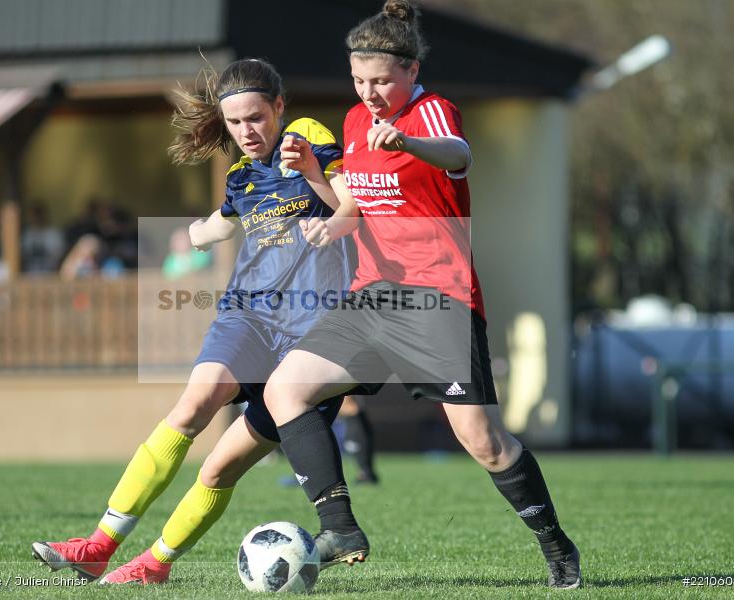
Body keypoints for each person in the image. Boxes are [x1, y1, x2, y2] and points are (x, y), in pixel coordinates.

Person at [263, 1, 581, 588]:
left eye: (382, 80)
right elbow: (354, 208)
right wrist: (314, 179)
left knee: (482, 441)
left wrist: (408, 143)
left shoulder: (434, 113)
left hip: (438, 300)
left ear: (410, 70)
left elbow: (459, 155)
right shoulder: (358, 123)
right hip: (372, 296)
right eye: (359, 81)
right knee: (285, 389)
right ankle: (341, 527)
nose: (370, 93)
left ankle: (556, 544)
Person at [31, 57, 363, 585]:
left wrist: (313, 173)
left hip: (309, 335)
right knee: (194, 402)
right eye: (235, 123)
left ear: (279, 107)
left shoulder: (305, 136)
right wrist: (198, 234)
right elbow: (225, 222)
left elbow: (351, 206)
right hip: (249, 316)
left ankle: (154, 565)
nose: (246, 131)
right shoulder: (240, 176)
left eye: (255, 117)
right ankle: (97, 546)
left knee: (218, 469)